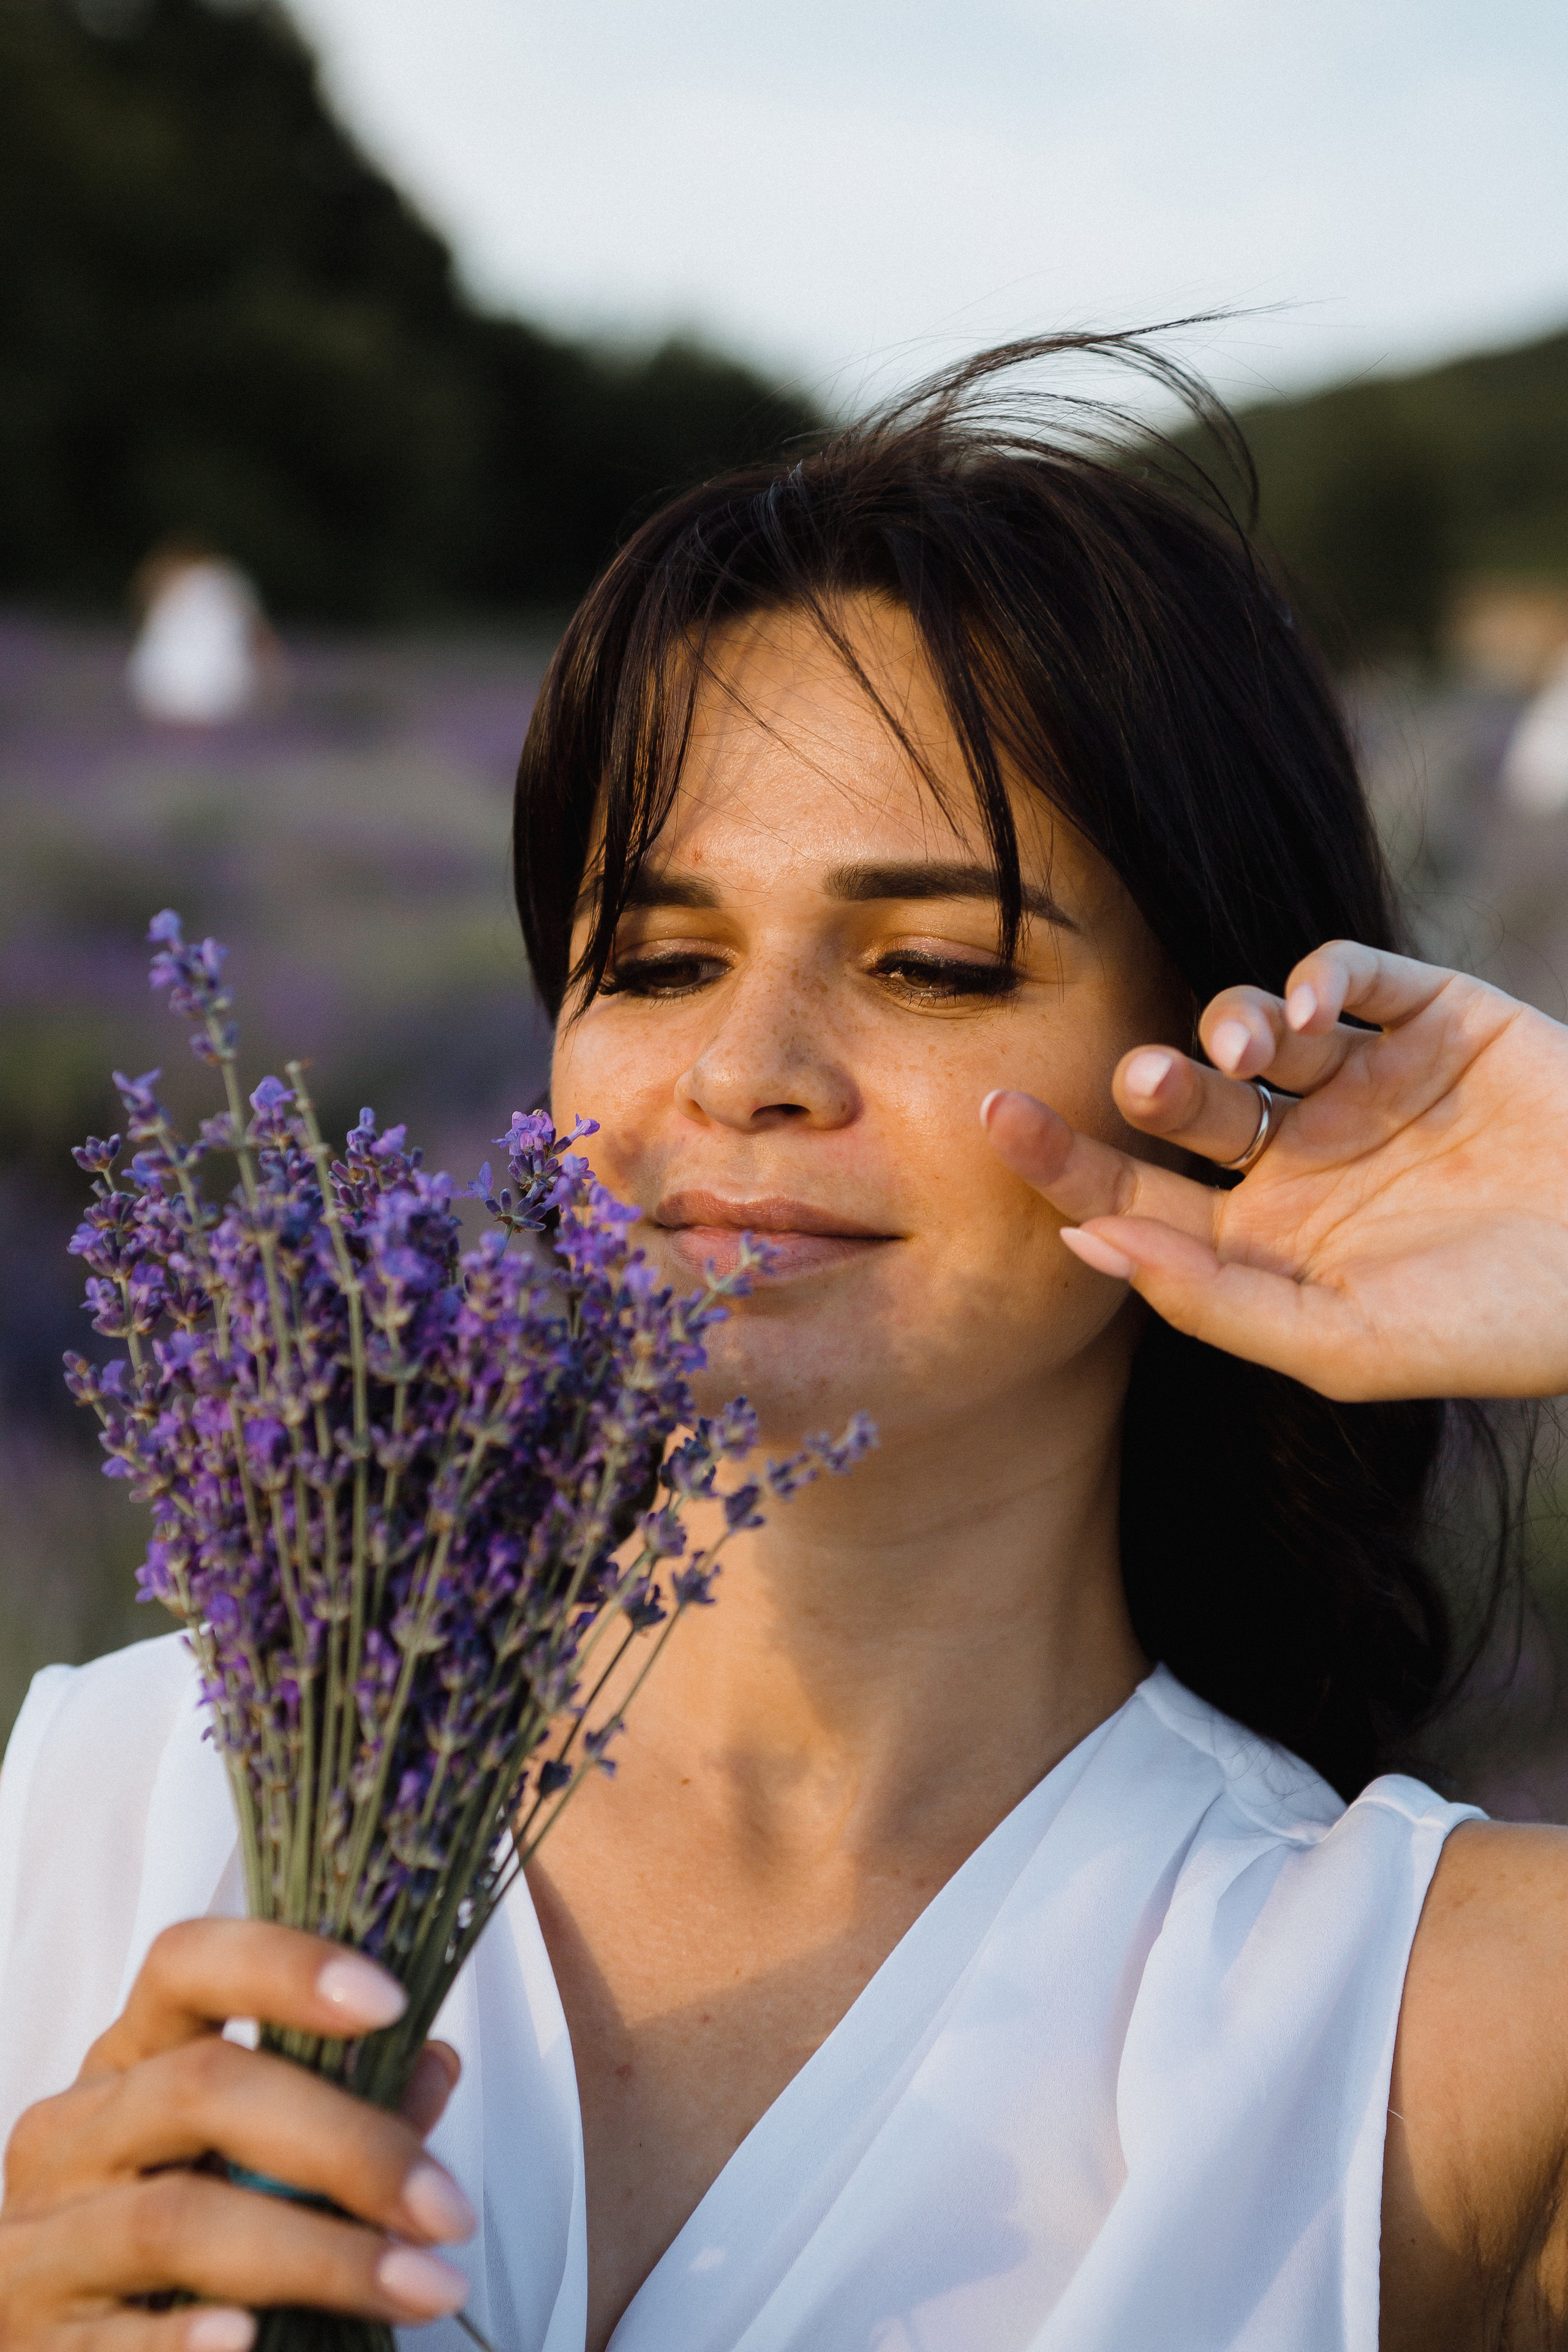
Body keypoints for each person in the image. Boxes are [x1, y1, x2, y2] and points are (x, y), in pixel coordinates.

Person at [6, 331, 1568, 2352]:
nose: (743, 1073)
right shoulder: (129, 1794)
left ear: (1222, 1059)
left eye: (928, 964)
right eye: (654, 959)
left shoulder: (1431, 2030)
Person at [126, 540, 282, 727]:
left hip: (173, 679)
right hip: (210, 679)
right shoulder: (225, 581)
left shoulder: (171, 581)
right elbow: (256, 628)